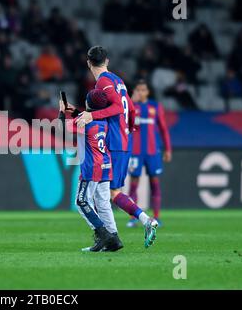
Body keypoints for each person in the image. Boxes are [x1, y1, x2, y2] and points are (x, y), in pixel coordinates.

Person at [75, 46, 159, 248]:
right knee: (108, 194)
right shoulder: (117, 80)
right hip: (122, 140)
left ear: (88, 63)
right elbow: (129, 108)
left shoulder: (103, 81)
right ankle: (113, 238)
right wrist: (129, 129)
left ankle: (142, 222)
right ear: (107, 61)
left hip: (111, 142)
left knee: (105, 194)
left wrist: (92, 115)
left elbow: (117, 107)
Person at [59, 89, 123, 252]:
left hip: (91, 166)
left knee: (81, 202)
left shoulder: (84, 121)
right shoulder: (103, 119)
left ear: (88, 103)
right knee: (102, 203)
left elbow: (61, 130)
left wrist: (61, 112)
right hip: (105, 164)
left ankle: (103, 234)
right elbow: (86, 120)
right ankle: (114, 238)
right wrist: (75, 113)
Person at [127, 80, 172, 227]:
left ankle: (157, 216)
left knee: (155, 182)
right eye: (138, 90)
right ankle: (133, 218)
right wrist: (131, 102)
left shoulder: (155, 107)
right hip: (136, 151)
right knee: (134, 183)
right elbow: (124, 123)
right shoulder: (131, 106)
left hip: (152, 151)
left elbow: (164, 129)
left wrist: (168, 149)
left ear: (148, 92)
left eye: (143, 90)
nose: (140, 92)